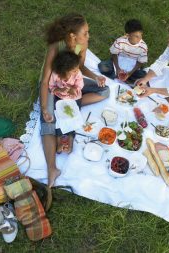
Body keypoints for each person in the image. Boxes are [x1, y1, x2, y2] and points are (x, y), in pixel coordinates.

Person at [40, 13, 110, 187]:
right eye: (85, 33)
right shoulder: (56, 47)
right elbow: (45, 80)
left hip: (72, 84)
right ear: (72, 36)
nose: (88, 36)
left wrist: (95, 77)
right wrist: (44, 107)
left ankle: (72, 103)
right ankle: (51, 168)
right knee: (48, 121)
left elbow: (80, 69)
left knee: (105, 91)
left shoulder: (80, 46)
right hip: (52, 86)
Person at [49, 50, 84, 154]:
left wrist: (74, 89)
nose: (77, 70)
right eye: (73, 70)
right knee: (59, 118)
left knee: (74, 117)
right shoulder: (55, 75)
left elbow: (80, 85)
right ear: (64, 70)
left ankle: (70, 140)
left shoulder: (77, 74)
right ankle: (59, 140)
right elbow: (51, 87)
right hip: (60, 98)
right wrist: (59, 90)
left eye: (77, 68)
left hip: (74, 98)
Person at [98, 19, 148, 85]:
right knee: (103, 66)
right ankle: (120, 77)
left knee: (143, 76)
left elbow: (140, 62)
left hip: (132, 68)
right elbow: (114, 54)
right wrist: (118, 68)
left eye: (141, 35)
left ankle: (119, 77)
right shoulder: (120, 41)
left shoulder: (143, 47)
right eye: (136, 36)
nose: (139, 38)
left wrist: (130, 73)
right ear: (128, 35)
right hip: (118, 63)